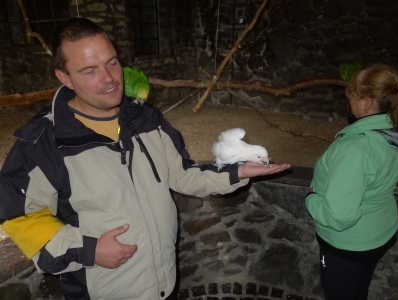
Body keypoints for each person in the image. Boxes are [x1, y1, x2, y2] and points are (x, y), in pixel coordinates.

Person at [0, 18, 290, 300]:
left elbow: (182, 174)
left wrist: (237, 172)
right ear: (65, 78)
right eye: (89, 70)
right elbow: (21, 218)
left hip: (163, 285)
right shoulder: (42, 143)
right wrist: (88, 250)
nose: (109, 78)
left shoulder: (146, 118)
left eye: (112, 62)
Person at [305, 64, 398, 299]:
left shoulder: (356, 148)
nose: (349, 99)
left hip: (348, 244)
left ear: (366, 102)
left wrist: (311, 198)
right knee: (357, 290)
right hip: (378, 232)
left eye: (352, 93)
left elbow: (339, 216)